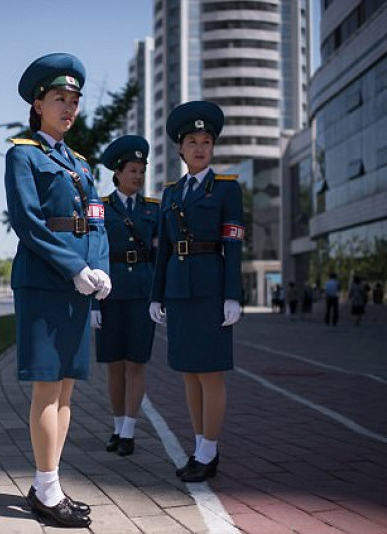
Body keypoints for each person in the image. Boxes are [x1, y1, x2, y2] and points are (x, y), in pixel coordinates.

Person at [4, 52, 110, 528]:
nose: (68, 108)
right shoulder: (22, 154)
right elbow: (27, 222)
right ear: (37, 104)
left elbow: (98, 222)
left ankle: (49, 483)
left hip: (77, 284)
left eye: (73, 101)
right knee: (48, 387)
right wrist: (72, 266)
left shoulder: (82, 165)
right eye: (58, 99)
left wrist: (100, 268)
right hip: (45, 282)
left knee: (66, 389)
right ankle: (47, 492)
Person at [148, 101, 244, 482]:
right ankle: (198, 446)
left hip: (211, 288)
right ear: (180, 149)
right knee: (188, 372)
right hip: (177, 289)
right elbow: (163, 250)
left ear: (213, 147)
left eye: (207, 141)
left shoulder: (227, 189)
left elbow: (234, 243)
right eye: (192, 141)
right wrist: (157, 295)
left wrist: (233, 295)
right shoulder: (170, 194)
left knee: (211, 374)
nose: (200, 147)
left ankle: (209, 451)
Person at [90, 135, 159, 457]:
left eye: (141, 170)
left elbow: (162, 255)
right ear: (117, 173)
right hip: (110, 294)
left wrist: (160, 297)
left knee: (137, 364)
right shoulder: (101, 209)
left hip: (142, 294)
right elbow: (93, 254)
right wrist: (93, 302)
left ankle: (129, 431)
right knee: (114, 366)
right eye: (132, 170)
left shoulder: (153, 210)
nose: (138, 176)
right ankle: (117, 427)